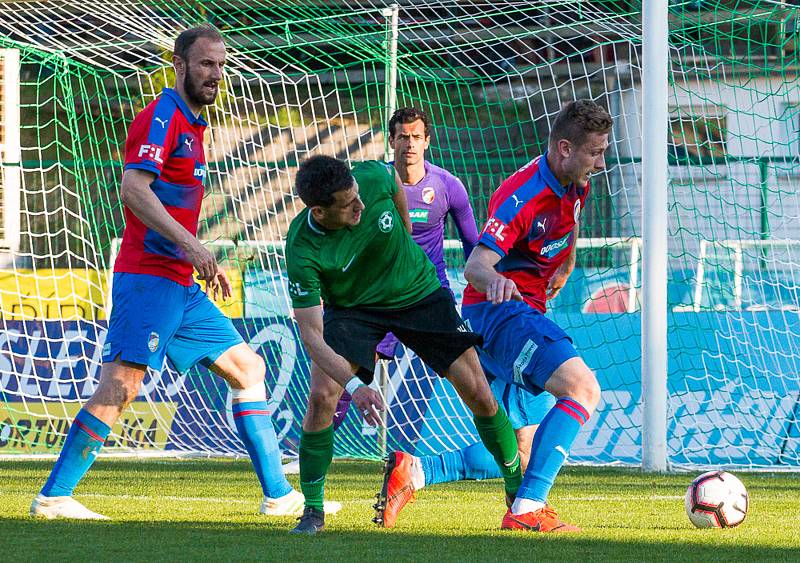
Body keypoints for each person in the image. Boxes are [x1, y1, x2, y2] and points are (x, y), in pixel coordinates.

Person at [30, 25, 338, 520]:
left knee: (248, 369)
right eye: (205, 65)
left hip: (181, 283)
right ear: (179, 65)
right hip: (149, 278)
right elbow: (133, 189)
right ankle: (54, 496)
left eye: (220, 65)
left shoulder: (193, 125)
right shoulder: (163, 116)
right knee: (123, 384)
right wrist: (192, 245)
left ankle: (279, 496)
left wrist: (197, 258)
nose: (216, 74)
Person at [285, 155, 522, 534]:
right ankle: (313, 510)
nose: (360, 206)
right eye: (348, 205)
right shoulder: (302, 250)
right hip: (354, 310)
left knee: (479, 392)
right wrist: (355, 387)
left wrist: (404, 239)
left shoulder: (373, 177)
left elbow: (393, 182)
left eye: (358, 196)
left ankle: (518, 499)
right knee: (321, 396)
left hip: (417, 291)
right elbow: (311, 335)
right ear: (318, 211)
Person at [461, 99, 611, 532]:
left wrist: (567, 262)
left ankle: (412, 471)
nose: (601, 163)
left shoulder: (575, 181)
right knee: (582, 388)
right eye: (595, 153)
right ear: (565, 147)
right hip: (499, 313)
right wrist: (498, 281)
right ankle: (527, 510)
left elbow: (571, 220)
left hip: (527, 309)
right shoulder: (520, 195)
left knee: (521, 444)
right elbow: (475, 266)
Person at [331, 106, 480, 427]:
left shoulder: (448, 186)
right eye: (402, 137)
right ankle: (315, 452)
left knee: (471, 376)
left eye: (416, 137)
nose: (409, 144)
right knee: (345, 376)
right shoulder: (372, 185)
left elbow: (473, 244)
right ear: (392, 141)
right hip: (380, 296)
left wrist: (481, 289)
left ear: (427, 141)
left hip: (429, 295)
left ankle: (498, 447)